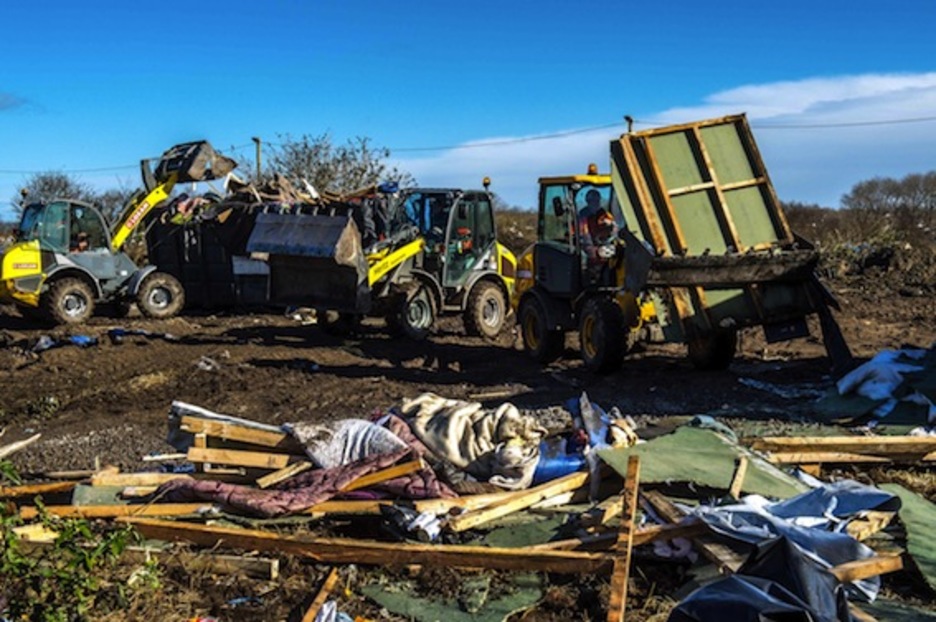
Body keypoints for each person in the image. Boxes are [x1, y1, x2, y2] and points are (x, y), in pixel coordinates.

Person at [577, 189, 616, 265]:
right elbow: (582, 233)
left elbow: (615, 227)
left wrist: (611, 225)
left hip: (604, 246)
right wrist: (589, 247)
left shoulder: (604, 214)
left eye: (596, 200)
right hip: (588, 249)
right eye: (592, 201)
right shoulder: (582, 215)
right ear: (588, 202)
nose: (595, 203)